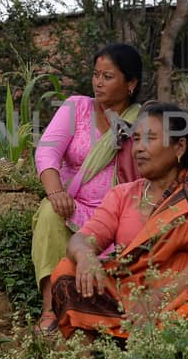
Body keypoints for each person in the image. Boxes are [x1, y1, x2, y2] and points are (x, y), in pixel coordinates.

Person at [50, 101, 188, 340]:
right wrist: (86, 256)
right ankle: (101, 344)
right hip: (127, 299)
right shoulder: (122, 194)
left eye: (150, 138)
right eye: (136, 139)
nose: (138, 148)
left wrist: (159, 298)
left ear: (179, 147)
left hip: (181, 297)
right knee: (68, 269)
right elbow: (82, 238)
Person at [31, 43, 143, 332]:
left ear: (130, 83)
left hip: (115, 213)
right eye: (96, 75)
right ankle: (49, 309)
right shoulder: (77, 107)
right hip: (72, 204)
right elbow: (47, 152)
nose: (98, 82)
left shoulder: (141, 122)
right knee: (49, 212)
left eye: (108, 76)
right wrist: (56, 193)